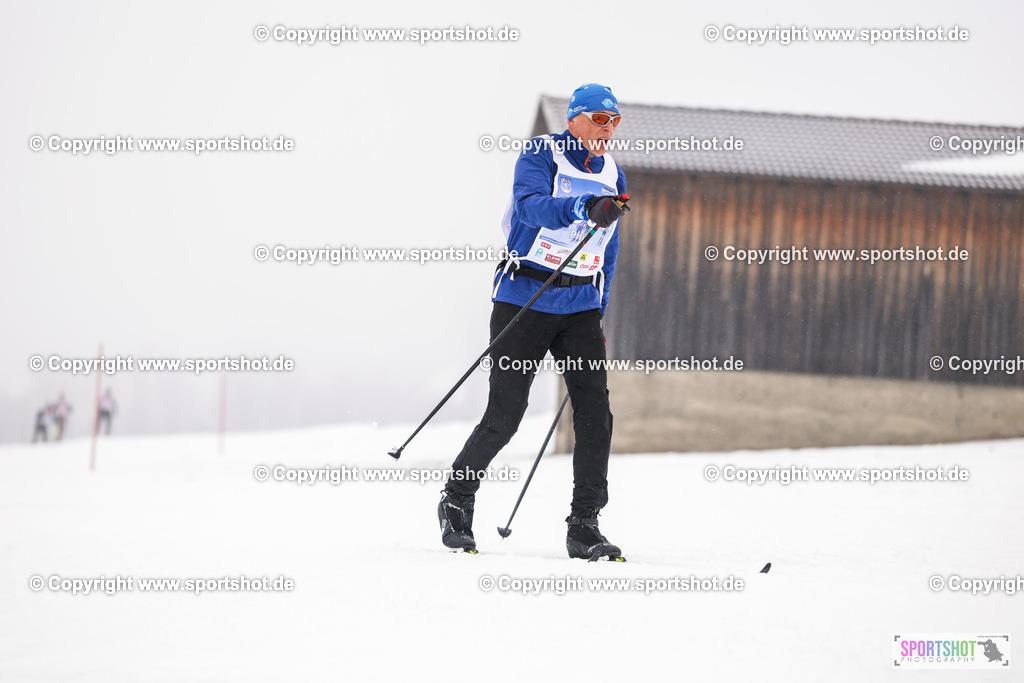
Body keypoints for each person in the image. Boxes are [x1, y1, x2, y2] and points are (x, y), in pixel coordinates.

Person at [438, 83, 630, 559]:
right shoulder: (541, 154)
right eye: (600, 120)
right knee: (506, 415)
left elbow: (611, 247)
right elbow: (528, 205)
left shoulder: (613, 174)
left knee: (595, 416)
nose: (608, 130)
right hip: (524, 298)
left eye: (615, 121)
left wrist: (600, 303)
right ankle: (457, 500)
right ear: (575, 119)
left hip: (580, 307)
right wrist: (581, 207)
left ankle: (584, 525)